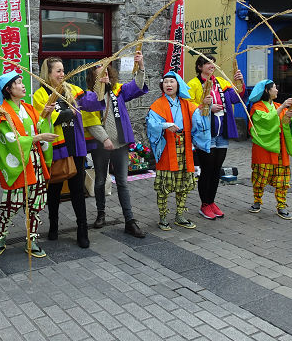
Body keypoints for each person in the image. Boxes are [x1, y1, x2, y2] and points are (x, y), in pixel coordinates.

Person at [0, 72, 57, 258]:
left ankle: (31, 240)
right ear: (8, 89)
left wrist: (47, 116)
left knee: (35, 204)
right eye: (18, 83)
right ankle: (1, 238)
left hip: (35, 162)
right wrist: (38, 137)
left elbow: (40, 125)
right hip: (19, 165)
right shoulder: (2, 113)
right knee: (11, 205)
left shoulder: (28, 108)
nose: (23, 85)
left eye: (21, 82)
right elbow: (8, 139)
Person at [33, 57, 95, 248]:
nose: (62, 74)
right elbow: (43, 118)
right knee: (54, 189)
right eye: (58, 71)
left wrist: (101, 87)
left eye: (63, 70)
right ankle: (53, 225)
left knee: (77, 189)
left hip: (75, 146)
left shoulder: (71, 89)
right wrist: (68, 113)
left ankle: (82, 229)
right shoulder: (40, 94)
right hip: (56, 147)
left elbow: (90, 101)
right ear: (48, 73)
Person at [85, 52, 148, 237]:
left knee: (122, 182)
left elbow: (137, 85)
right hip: (100, 146)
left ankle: (129, 220)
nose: (104, 75)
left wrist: (141, 66)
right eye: (99, 73)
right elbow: (91, 123)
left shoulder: (118, 90)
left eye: (106, 72)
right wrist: (104, 139)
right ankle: (101, 213)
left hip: (120, 144)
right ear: (93, 78)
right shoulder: (89, 96)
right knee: (100, 180)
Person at [146, 71, 210, 231]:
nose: (168, 84)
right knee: (164, 185)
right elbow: (151, 125)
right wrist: (165, 125)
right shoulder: (157, 105)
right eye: (166, 82)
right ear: (162, 85)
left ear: (178, 85)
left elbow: (198, 117)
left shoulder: (187, 104)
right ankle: (163, 217)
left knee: (183, 184)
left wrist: (205, 107)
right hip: (167, 148)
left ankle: (179, 215)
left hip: (184, 147)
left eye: (172, 82)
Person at [187, 55, 245, 220]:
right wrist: (206, 106)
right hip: (205, 134)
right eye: (207, 63)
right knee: (207, 169)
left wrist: (240, 82)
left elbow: (236, 97)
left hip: (222, 132)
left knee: (216, 170)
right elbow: (187, 105)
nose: (212, 65)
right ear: (200, 67)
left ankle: (211, 201)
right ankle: (204, 204)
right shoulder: (193, 84)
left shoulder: (221, 82)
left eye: (213, 63)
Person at [248, 79, 292, 220]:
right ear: (266, 91)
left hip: (280, 147)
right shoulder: (257, 107)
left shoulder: (278, 106)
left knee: (282, 178)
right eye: (274, 87)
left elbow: (288, 126)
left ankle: (281, 205)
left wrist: (289, 119)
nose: (277, 90)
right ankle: (257, 201)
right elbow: (266, 121)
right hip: (264, 148)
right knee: (260, 176)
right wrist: (282, 108)